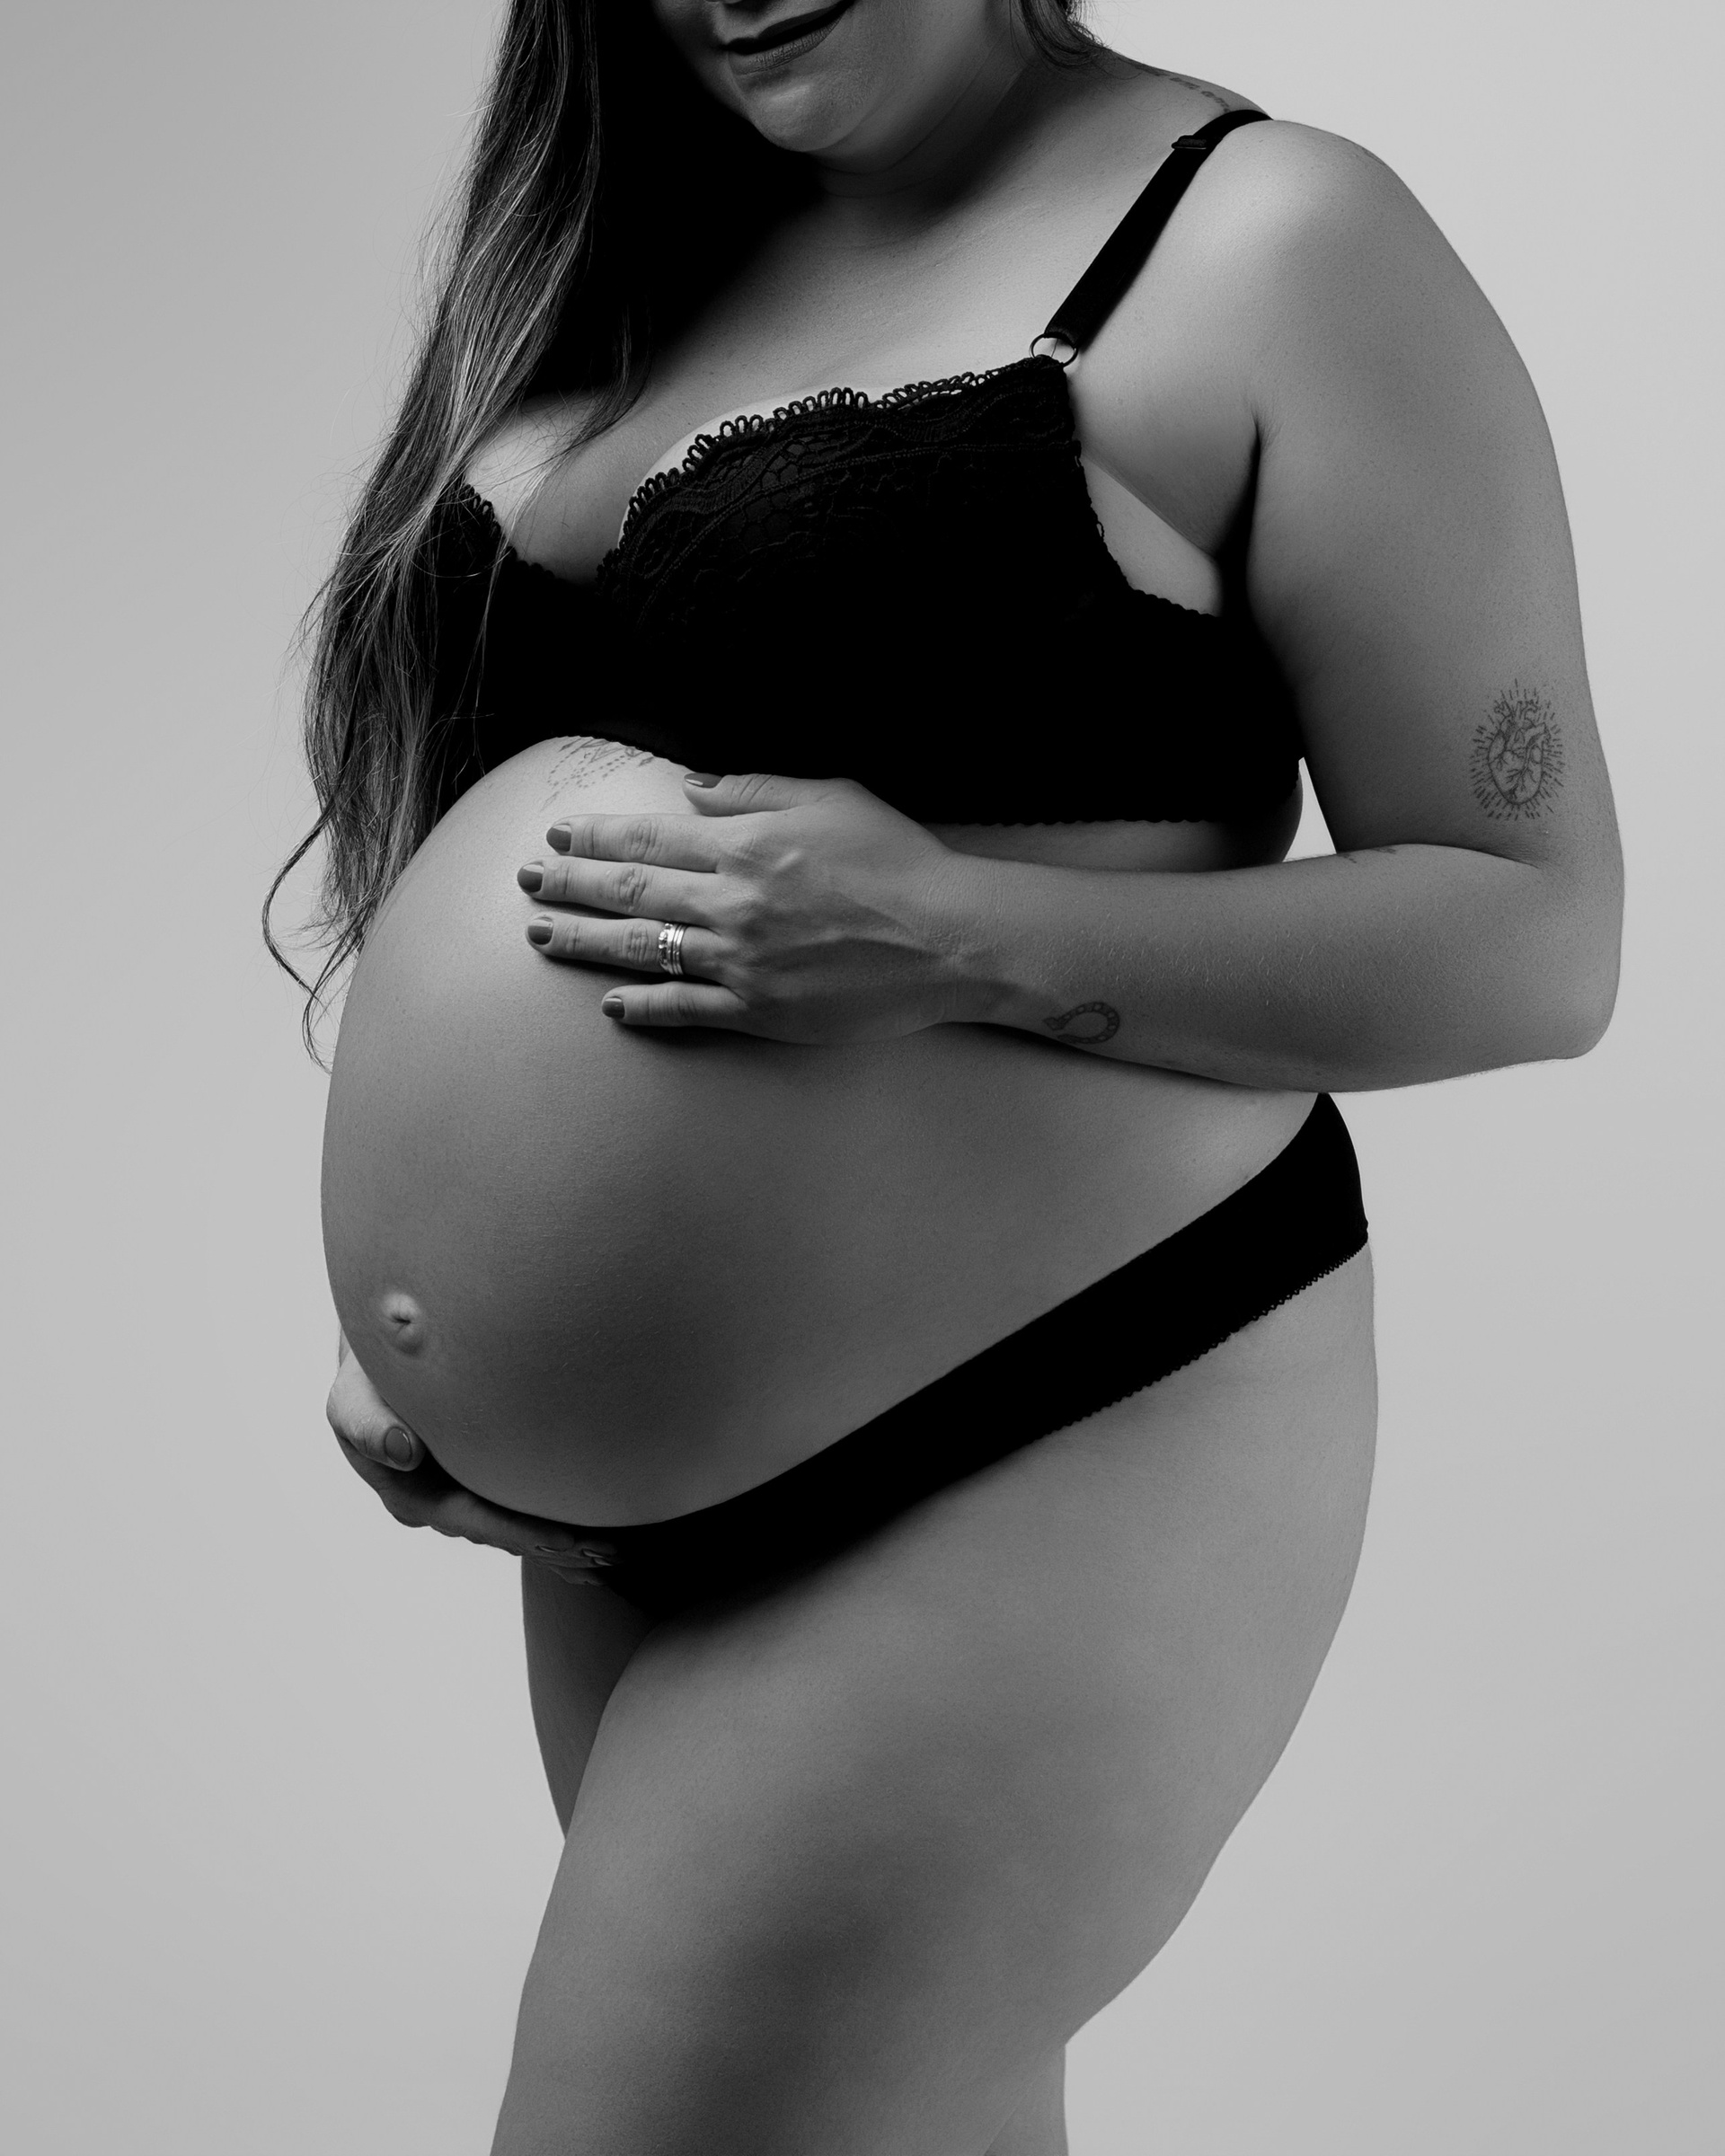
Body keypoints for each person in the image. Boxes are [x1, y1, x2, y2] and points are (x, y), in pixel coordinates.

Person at [281, 1, 1623, 2147]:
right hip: (615, 1510)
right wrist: (444, 1317)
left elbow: (1535, 931)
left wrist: (955, 930)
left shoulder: (1271, 239)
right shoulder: (649, 251)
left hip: (1057, 1424)